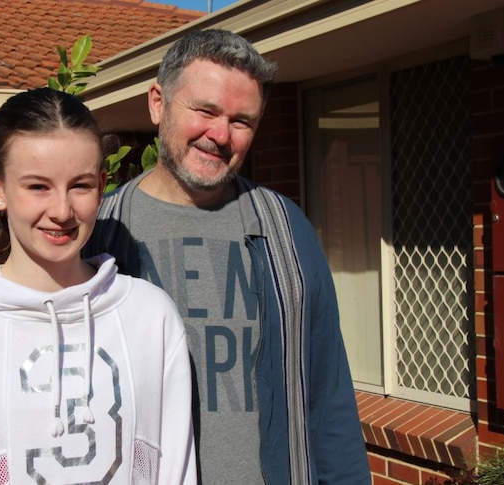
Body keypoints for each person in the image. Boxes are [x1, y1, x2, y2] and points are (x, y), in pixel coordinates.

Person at [84, 29, 370, 484]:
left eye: (242, 121)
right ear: (158, 103)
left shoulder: (288, 233)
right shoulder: (98, 234)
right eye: (205, 110)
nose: (220, 134)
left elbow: (328, 396)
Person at [0, 87, 196, 484]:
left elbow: (175, 471)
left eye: (81, 186)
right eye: (37, 186)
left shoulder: (151, 317)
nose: (61, 211)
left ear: (103, 183)